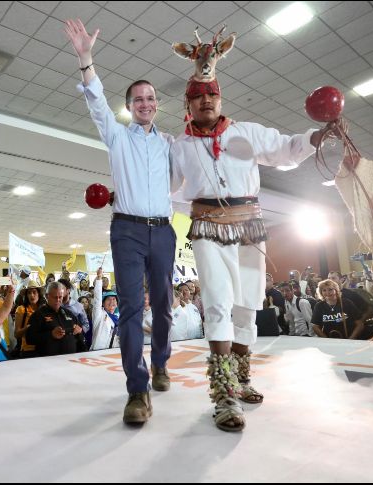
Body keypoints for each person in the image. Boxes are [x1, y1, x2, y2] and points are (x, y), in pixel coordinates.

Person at [169, 27, 334, 431]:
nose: (205, 101)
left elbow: (285, 148)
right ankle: (223, 394)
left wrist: (315, 136)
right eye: (197, 97)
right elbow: (164, 187)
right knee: (220, 304)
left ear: (220, 99)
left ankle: (241, 379)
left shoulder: (247, 132)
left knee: (248, 306)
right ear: (188, 104)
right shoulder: (179, 145)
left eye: (211, 95)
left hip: (249, 229)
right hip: (207, 227)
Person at [66, 18, 175, 425]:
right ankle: (136, 391)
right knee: (130, 309)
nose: (145, 103)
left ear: (156, 104)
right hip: (127, 230)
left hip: (164, 232)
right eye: (138, 99)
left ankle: (161, 362)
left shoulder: (168, 144)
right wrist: (86, 58)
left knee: (163, 305)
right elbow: (95, 99)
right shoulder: (117, 136)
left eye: (150, 98)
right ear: (129, 106)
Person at [26, 281, 85, 357]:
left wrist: (79, 332)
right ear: (47, 296)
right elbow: (30, 338)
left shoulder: (69, 313)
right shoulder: (38, 315)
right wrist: (51, 335)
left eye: (60, 297)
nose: (58, 300)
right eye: (55, 297)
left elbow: (80, 335)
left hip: (70, 360)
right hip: (48, 362)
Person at [89, 267, 121, 350]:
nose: (112, 301)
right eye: (108, 299)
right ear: (103, 303)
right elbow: (97, 299)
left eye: (114, 299)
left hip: (113, 353)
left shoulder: (119, 318)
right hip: (97, 353)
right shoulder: (99, 314)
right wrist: (99, 277)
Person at [13, 280, 44, 359]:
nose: (32, 295)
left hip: (43, 348)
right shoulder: (21, 309)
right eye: (29, 293)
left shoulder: (44, 309)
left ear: (39, 294)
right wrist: (27, 328)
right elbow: (16, 334)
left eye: (34, 292)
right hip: (27, 350)